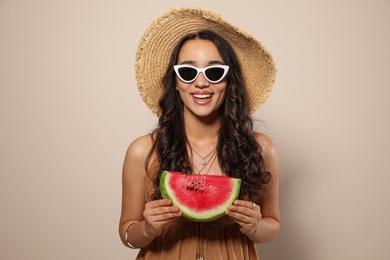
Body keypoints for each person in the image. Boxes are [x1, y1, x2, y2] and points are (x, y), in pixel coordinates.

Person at [119, 7, 280, 260]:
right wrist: (147, 228)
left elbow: (273, 225)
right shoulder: (142, 150)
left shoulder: (260, 148)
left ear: (230, 81)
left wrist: (256, 226)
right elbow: (127, 232)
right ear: (175, 81)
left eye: (215, 72)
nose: (201, 83)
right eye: (188, 71)